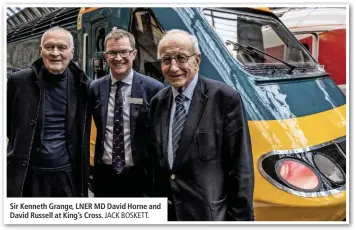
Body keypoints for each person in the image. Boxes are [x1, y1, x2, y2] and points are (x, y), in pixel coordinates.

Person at [149, 29, 255, 221]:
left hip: (208, 216)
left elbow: (240, 169)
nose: (173, 67)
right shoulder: (158, 102)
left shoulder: (224, 98)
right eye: (166, 60)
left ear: (197, 60)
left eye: (181, 58)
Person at [7, 26, 91, 197]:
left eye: (61, 47)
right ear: (41, 50)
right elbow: (10, 125)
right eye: (49, 47)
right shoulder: (18, 81)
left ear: (72, 52)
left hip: (67, 176)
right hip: (28, 176)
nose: (55, 53)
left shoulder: (83, 85)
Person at [89, 28, 164, 197]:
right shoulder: (94, 88)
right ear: (106, 56)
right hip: (104, 177)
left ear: (134, 54)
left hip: (141, 178)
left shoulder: (154, 89)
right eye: (112, 53)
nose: (118, 58)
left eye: (124, 52)